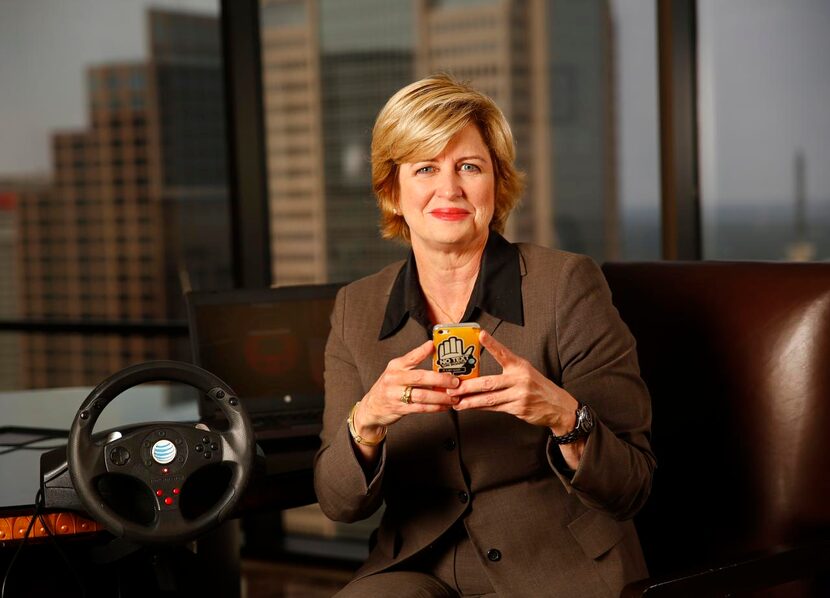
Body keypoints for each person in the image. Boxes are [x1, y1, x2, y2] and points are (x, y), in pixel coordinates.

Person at [313, 73, 655, 597]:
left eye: (468, 167)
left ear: (496, 185)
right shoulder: (355, 308)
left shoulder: (566, 285)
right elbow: (339, 504)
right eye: (425, 168)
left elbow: (632, 486)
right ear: (393, 191)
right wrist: (368, 422)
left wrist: (564, 416)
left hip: (555, 567)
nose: (448, 189)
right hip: (417, 567)